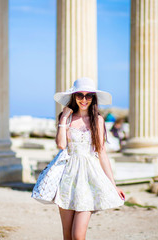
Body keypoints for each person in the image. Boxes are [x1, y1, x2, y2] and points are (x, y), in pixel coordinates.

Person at [32, 77, 125, 240]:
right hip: (67, 178)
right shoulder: (66, 118)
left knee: (78, 236)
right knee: (67, 236)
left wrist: (113, 185)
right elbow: (61, 145)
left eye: (89, 96)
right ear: (73, 97)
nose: (84, 99)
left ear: (93, 98)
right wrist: (63, 119)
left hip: (89, 179)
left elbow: (102, 153)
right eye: (80, 95)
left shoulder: (98, 120)